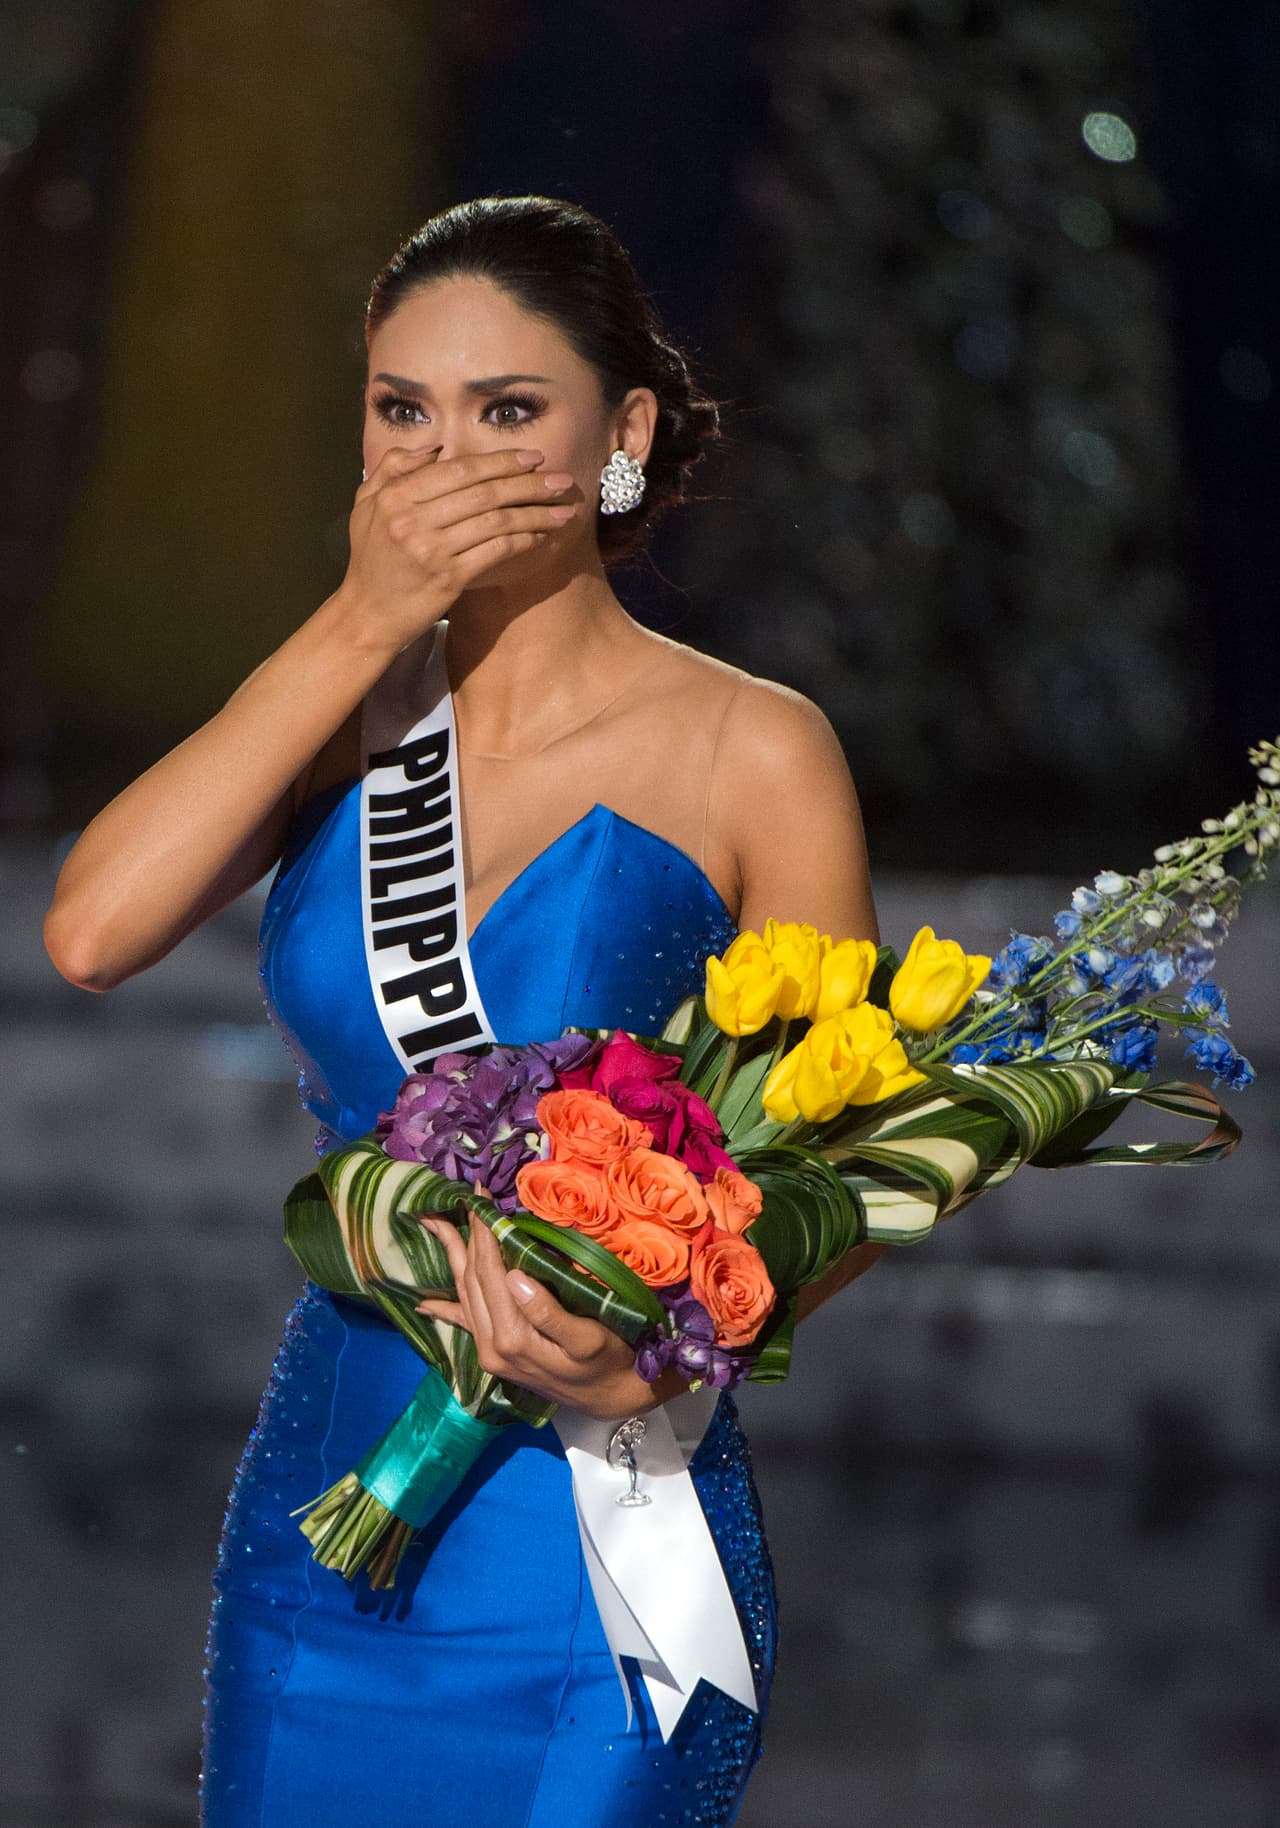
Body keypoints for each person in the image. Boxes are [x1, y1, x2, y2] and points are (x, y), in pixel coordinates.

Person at [44, 194, 884, 1827]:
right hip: (327, 1515)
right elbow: (90, 932)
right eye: (403, 413)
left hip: (599, 1534)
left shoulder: (752, 748)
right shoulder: (340, 713)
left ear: (622, 432)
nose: (451, 463)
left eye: (511, 412)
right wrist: (364, 621)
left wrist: (663, 1337)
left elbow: (851, 1164)